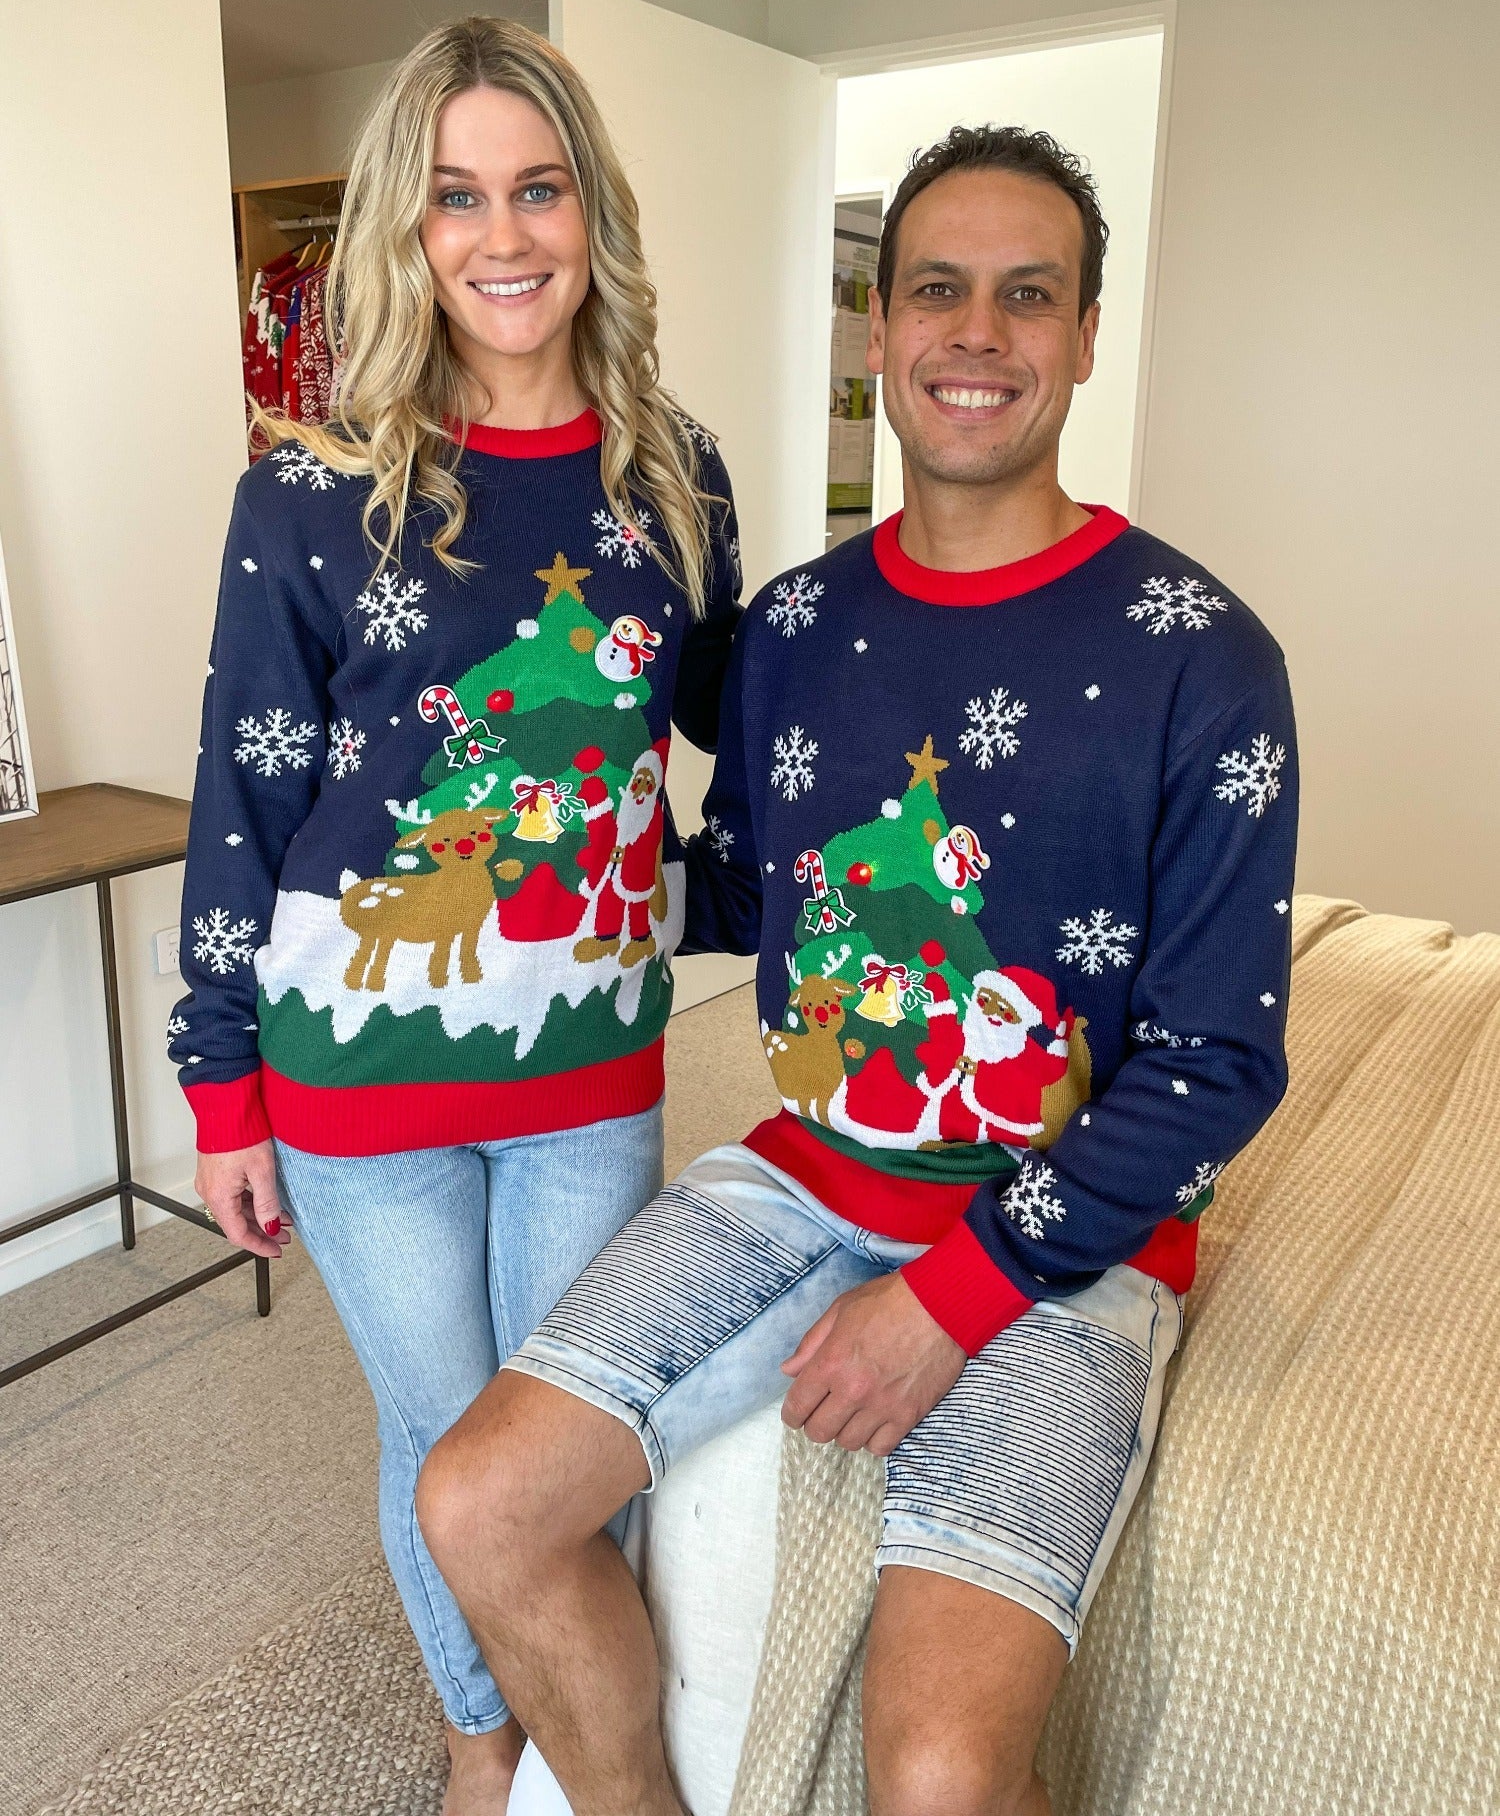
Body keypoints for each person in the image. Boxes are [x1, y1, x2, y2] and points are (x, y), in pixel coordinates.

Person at [415, 123, 1297, 1816]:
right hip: (810, 1168)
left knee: (945, 1770)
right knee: (477, 1505)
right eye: (937, 291)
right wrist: (504, 844)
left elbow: (1218, 1066)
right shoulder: (797, 633)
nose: (978, 333)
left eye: (1027, 295)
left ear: (1085, 335)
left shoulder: (1203, 658)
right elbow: (752, 889)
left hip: (1066, 1241)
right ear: (879, 328)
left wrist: (946, 1301)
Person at [168, 16, 741, 1814]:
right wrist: (220, 1085)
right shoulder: (312, 492)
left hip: (586, 1064)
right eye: (456, 197)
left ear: (593, 215)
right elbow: (247, 791)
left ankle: (588, 1757)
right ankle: (484, 1745)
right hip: (355, 1070)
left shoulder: (674, 476)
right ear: (404, 232)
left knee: (571, 1441)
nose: (503, 236)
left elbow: (751, 732)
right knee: (445, 1437)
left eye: (539, 189)